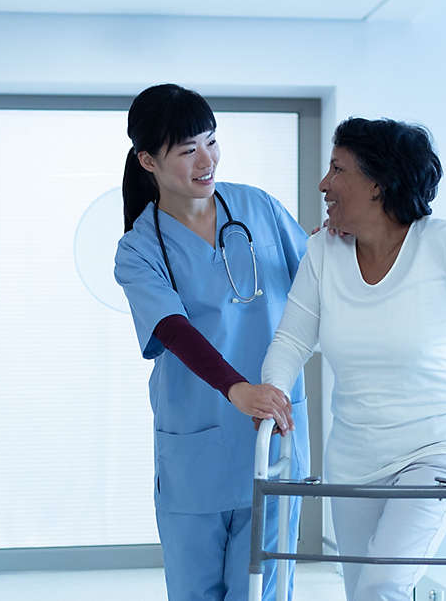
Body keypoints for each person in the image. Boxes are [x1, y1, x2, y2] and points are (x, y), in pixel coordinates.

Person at [261, 118, 446, 601]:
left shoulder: (442, 243)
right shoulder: (322, 252)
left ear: (377, 184)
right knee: (366, 595)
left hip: (432, 448)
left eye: (337, 169)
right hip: (353, 461)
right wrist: (273, 393)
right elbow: (292, 341)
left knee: (383, 587)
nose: (323, 184)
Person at [114, 83, 311, 601]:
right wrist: (235, 388)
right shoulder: (139, 248)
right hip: (196, 448)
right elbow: (171, 329)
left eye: (212, 141)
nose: (207, 160)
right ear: (147, 161)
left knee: (264, 592)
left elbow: (317, 276)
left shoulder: (258, 207)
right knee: (195, 592)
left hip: (273, 434)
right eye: (187, 150)